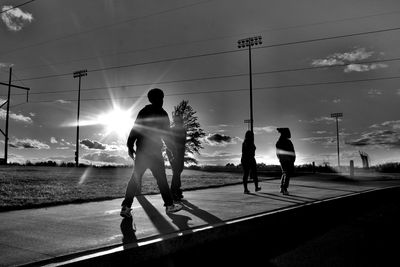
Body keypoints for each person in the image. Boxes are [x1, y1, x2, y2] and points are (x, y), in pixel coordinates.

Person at [120, 88, 182, 218]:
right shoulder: (162, 113)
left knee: (135, 178)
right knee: (161, 180)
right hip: (153, 152)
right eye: (161, 98)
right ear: (157, 99)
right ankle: (169, 206)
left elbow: (136, 128)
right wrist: (173, 149)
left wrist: (130, 145)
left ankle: (126, 207)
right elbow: (167, 135)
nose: (162, 100)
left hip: (142, 151)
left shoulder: (144, 111)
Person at [166, 114, 187, 202]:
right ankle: (173, 193)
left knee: (178, 172)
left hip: (180, 153)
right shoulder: (172, 130)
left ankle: (177, 191)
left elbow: (182, 143)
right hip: (173, 153)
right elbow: (168, 142)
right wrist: (173, 154)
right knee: (176, 172)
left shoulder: (183, 130)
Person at [276, 127, 296, 195]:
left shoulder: (279, 142)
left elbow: (278, 153)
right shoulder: (287, 142)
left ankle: (282, 188)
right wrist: (293, 159)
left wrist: (280, 158)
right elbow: (292, 151)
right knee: (287, 174)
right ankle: (284, 188)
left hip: (284, 160)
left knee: (284, 173)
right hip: (287, 160)